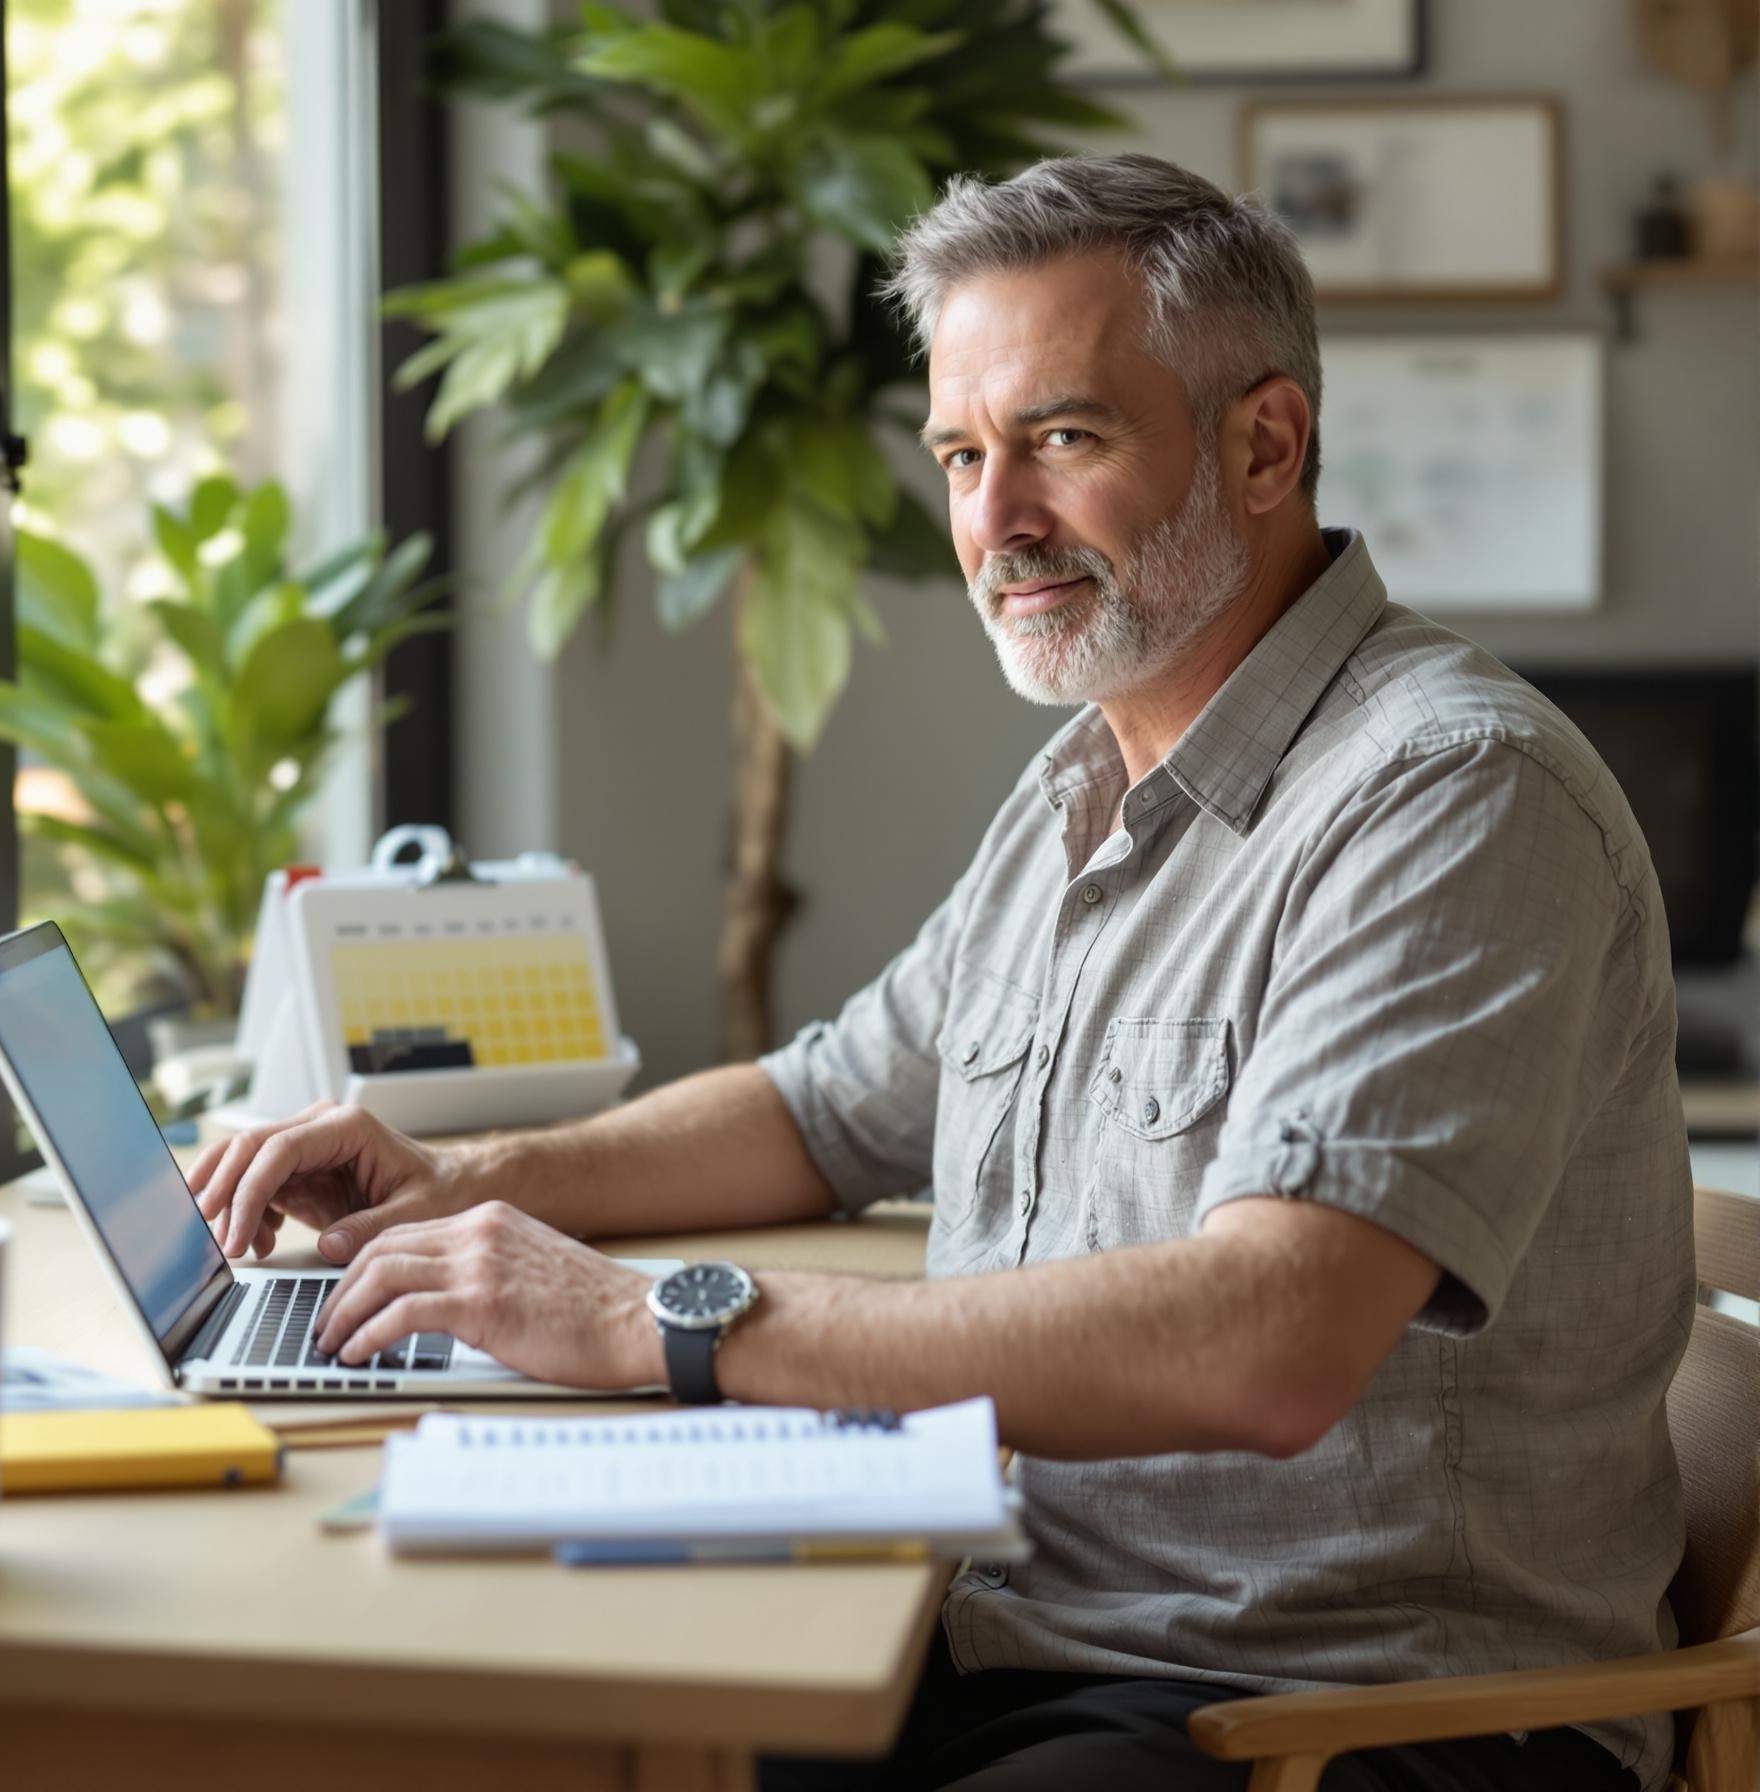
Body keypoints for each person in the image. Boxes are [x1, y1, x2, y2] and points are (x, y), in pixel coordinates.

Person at [190, 154, 1689, 1792]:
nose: (994, 522)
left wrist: (652, 1320)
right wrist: (469, 1182)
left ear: (1266, 443)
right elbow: (825, 1111)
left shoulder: (1453, 793)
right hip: (1010, 1627)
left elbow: (1272, 1338)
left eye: (1062, 438)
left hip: (1332, 1714)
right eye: (964, 455)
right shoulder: (1081, 787)